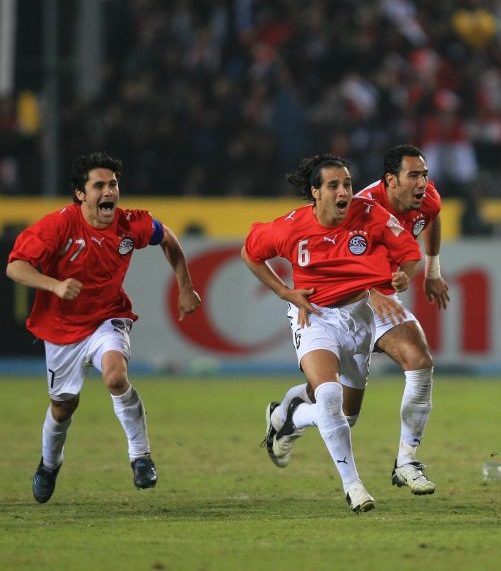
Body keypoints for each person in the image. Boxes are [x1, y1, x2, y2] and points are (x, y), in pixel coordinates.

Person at [5, 152, 202, 503]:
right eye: (99, 185)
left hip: (107, 318)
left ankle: (141, 457)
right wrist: (54, 285)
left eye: (113, 184)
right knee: (63, 406)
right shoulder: (58, 226)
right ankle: (49, 465)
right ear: (81, 194)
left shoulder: (131, 224)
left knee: (115, 376)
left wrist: (185, 286)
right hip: (62, 329)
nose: (108, 191)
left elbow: (167, 238)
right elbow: (16, 267)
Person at [244, 154, 422, 512]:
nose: (345, 192)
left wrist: (403, 275)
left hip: (358, 316)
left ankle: (288, 415)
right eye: (334, 185)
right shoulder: (290, 227)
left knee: (347, 415)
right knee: (327, 396)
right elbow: (251, 253)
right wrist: (284, 292)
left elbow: (409, 253)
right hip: (314, 316)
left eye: (348, 184)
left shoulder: (370, 215)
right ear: (316, 192)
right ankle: (354, 487)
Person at [355, 144, 449, 495]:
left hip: (381, 299)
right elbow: (335, 263)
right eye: (414, 175)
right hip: (337, 303)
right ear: (391, 181)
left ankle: (406, 460)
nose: (423, 183)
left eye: (424, 174)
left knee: (419, 362)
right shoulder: (361, 209)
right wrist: (371, 291)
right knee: (340, 411)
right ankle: (286, 416)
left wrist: (432, 270)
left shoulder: (428, 198)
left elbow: (432, 216)